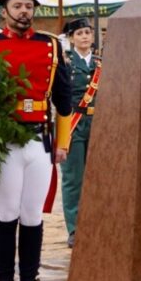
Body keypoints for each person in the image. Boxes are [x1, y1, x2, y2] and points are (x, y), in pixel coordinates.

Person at [0, 0, 72, 281]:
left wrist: (63, 142)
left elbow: (64, 97)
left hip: (39, 140)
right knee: (6, 213)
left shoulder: (51, 44)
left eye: (29, 7)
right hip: (5, 140)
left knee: (33, 215)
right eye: (18, 6)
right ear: (4, 10)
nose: (24, 12)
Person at [60, 18, 98, 249]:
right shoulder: (65, 62)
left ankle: (95, 223)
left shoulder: (101, 63)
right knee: (73, 178)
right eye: (79, 33)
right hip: (73, 124)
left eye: (87, 32)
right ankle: (75, 228)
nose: (84, 37)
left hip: (98, 124)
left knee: (97, 177)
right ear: (72, 38)